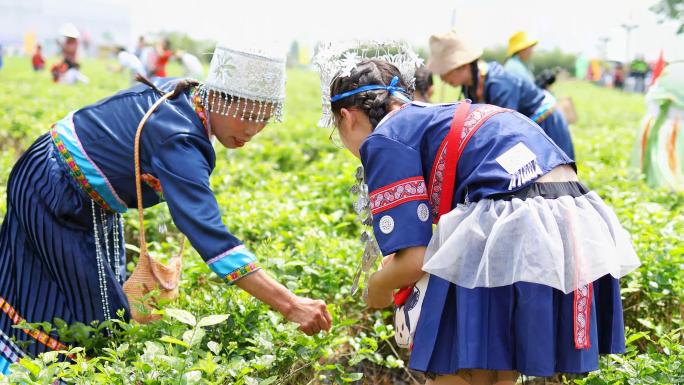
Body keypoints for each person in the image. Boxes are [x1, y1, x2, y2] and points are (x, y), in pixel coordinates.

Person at [0, 42, 332, 375]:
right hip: (55, 189)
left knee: (74, 298)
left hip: (77, 192)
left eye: (262, 119)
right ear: (219, 96)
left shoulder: (186, 94)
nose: (252, 130)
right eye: (247, 115)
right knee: (96, 318)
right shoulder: (181, 140)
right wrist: (291, 305)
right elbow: (211, 237)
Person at [317, 56, 640, 385]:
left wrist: (379, 286)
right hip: (571, 213)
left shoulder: (384, 138)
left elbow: (415, 260)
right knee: (497, 366)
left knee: (459, 367)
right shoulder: (432, 115)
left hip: (515, 212)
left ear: (347, 116)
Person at [428, 29, 576, 159]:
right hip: (527, 126)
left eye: (445, 73)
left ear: (464, 66)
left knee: (558, 175)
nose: (443, 80)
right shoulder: (469, 86)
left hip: (546, 122)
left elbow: (504, 131)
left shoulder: (500, 84)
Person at [634, 61, 683, 191]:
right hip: (668, 124)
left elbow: (651, 100)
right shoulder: (674, 71)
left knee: (661, 157)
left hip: (661, 124)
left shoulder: (671, 71)